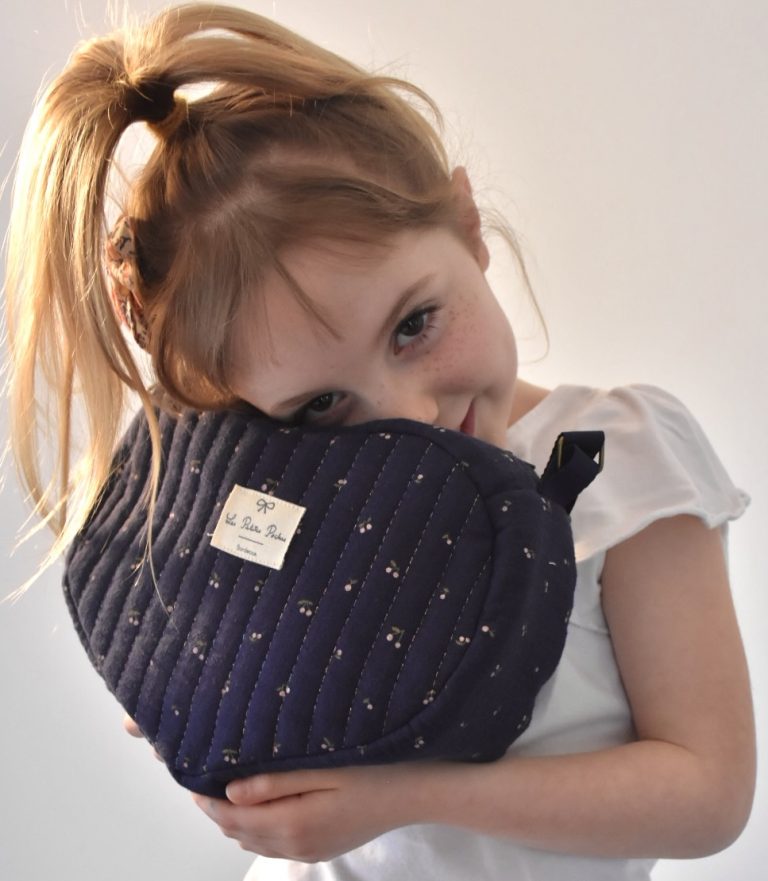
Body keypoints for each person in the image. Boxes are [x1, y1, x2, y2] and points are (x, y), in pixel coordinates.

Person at [4, 4, 755, 880]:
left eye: (413, 324)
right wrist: (199, 676)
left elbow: (708, 791)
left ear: (468, 225)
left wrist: (407, 795)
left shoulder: (624, 456)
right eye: (323, 401)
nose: (411, 413)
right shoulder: (300, 483)